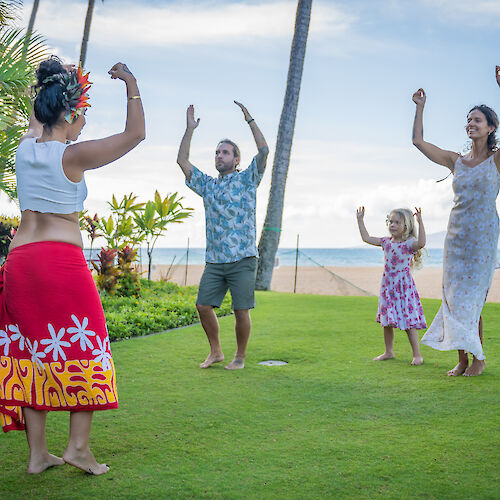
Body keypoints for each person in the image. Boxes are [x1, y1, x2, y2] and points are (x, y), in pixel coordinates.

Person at [0, 57, 145, 474]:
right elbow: (136, 134)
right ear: (68, 113)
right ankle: (78, 448)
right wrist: (131, 83)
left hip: (21, 260)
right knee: (88, 347)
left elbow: (37, 108)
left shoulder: (25, 147)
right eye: (79, 115)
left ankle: (36, 455)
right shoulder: (74, 157)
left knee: (32, 353)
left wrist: (53, 79)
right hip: (60, 263)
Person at [412, 76, 500, 377]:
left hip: (484, 239)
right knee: (454, 298)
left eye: (477, 120)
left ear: (491, 127)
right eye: (468, 120)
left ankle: (478, 358)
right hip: (456, 238)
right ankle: (462, 359)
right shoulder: (456, 161)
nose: (470, 124)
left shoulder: (496, 160)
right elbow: (418, 142)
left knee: (471, 300)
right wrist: (420, 108)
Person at [177, 101, 269, 370]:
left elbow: (264, 150)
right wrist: (189, 129)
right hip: (215, 261)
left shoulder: (248, 179)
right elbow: (182, 161)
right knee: (203, 305)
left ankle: (239, 356)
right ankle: (216, 351)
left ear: (236, 159)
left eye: (225, 152)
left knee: (241, 310)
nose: (219, 156)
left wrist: (250, 119)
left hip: (243, 258)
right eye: (217, 152)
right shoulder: (208, 186)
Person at [356, 207, 426, 365]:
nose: (392, 225)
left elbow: (421, 243)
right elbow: (366, 238)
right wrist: (360, 220)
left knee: (409, 322)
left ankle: (417, 355)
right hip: (388, 288)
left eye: (397, 222)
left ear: (406, 226)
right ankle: (388, 352)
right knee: (386, 321)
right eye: (390, 222)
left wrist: (420, 222)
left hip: (404, 288)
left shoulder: (409, 244)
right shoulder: (385, 242)